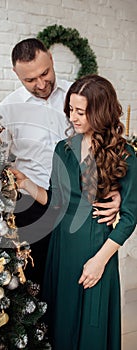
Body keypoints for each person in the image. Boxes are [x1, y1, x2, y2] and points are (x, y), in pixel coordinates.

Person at [11, 74, 137, 350]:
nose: (73, 117)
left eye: (81, 112)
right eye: (70, 110)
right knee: (61, 326)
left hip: (96, 250)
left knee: (92, 328)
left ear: (100, 112)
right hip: (61, 249)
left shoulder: (124, 153)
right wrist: (26, 184)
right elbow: (56, 202)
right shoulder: (63, 149)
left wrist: (99, 262)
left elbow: (129, 217)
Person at [0, 38, 121, 286]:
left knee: (76, 278)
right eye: (30, 80)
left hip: (79, 203)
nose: (41, 84)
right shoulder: (7, 110)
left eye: (45, 73)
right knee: (36, 282)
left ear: (52, 60)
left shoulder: (78, 97)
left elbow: (108, 144)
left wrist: (116, 190)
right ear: (16, 74)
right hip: (32, 207)